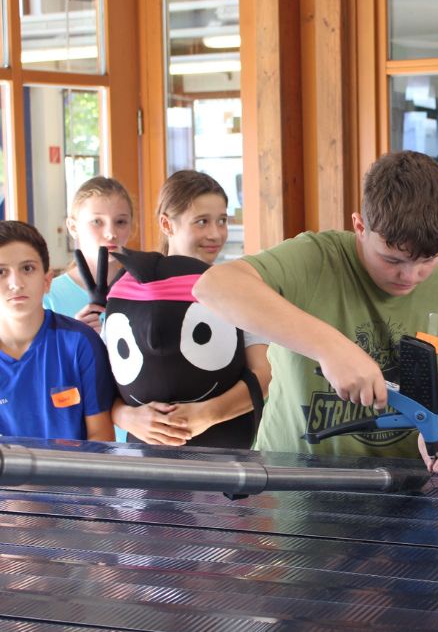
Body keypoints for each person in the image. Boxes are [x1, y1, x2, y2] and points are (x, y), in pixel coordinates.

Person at [194, 150, 438, 472]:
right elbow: (214, 286)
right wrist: (330, 348)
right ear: (359, 226)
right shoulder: (315, 259)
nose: (410, 276)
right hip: (290, 484)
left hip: (406, 494)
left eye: (429, 259)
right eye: (392, 260)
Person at [111, 170, 271, 448]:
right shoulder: (129, 288)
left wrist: (206, 415)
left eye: (222, 221)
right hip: (143, 457)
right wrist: (126, 417)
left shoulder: (237, 288)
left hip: (226, 454)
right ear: (166, 224)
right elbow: (104, 379)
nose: (215, 234)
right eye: (202, 222)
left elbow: (264, 373)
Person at [0, 221, 114, 441]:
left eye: (27, 268)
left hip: (73, 474)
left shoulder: (80, 343)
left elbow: (101, 436)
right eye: (1, 271)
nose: (16, 283)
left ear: (47, 280)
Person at [43, 176, 133, 334]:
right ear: (73, 227)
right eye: (97, 222)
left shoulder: (143, 289)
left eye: (120, 222)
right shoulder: (49, 297)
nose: (111, 233)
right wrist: (75, 338)